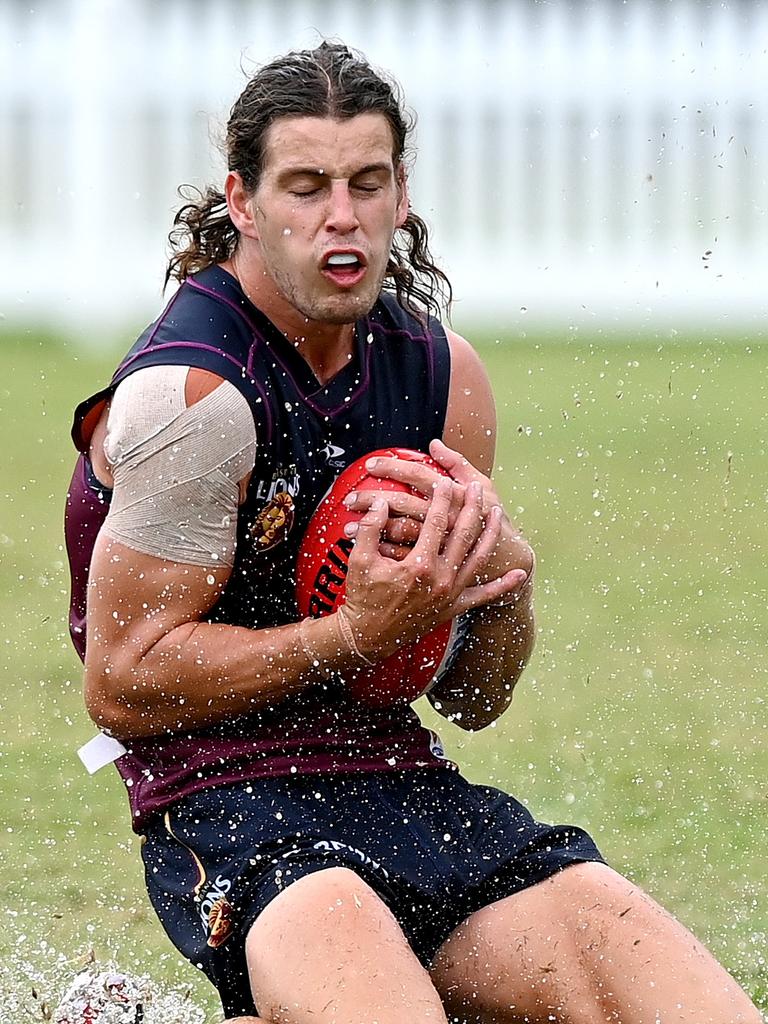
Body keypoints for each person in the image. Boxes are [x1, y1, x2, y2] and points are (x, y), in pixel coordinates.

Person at [64, 42, 761, 1024]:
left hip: (405, 782)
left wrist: (503, 588)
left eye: (367, 181)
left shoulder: (442, 376)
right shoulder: (192, 401)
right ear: (245, 203)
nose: (341, 215)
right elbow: (123, 686)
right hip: (234, 805)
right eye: (305, 186)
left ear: (401, 193)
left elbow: (472, 700)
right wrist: (350, 635)